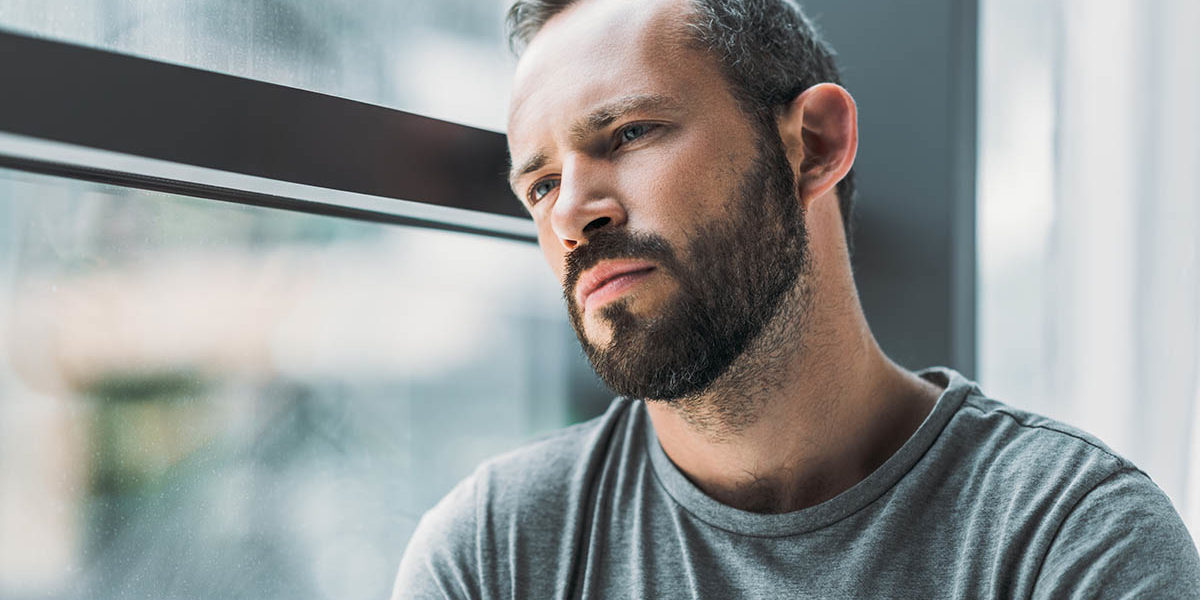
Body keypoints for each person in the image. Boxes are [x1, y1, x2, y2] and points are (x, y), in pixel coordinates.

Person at [393, 0, 1200, 597]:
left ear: (813, 144)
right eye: (539, 185)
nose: (571, 212)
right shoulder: (492, 554)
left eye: (630, 133)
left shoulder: (1071, 541)